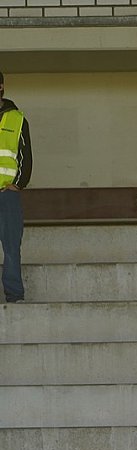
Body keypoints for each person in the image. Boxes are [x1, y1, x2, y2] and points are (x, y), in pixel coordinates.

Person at [0, 70, 33, 306]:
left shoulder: (18, 119)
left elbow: (25, 156)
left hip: (7, 195)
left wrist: (18, 184)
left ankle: (14, 295)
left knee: (11, 246)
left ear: (1, 87)